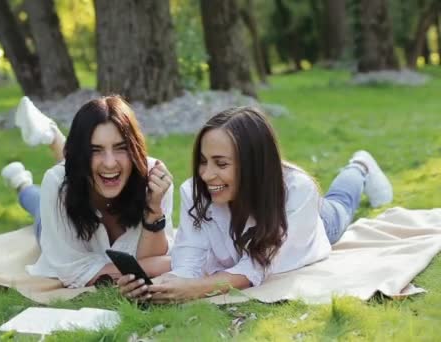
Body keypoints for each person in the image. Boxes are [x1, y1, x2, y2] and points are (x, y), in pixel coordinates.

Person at [118, 106, 392, 303]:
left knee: (340, 205)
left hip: (308, 226)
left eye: (221, 163)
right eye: (203, 161)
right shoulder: (195, 191)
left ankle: (360, 165)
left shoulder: (298, 191)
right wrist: (163, 286)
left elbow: (256, 268)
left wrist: (196, 288)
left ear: (253, 164)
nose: (206, 174)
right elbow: (189, 256)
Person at [1, 96, 175, 288]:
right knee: (37, 205)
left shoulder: (154, 179)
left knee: (82, 174)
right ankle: (22, 183)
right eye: (95, 150)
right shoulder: (57, 185)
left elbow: (155, 258)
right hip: (64, 198)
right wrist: (156, 266)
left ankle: (55, 141)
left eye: (120, 148)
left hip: (81, 177)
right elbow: (73, 273)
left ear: (134, 149)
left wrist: (154, 210)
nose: (110, 162)